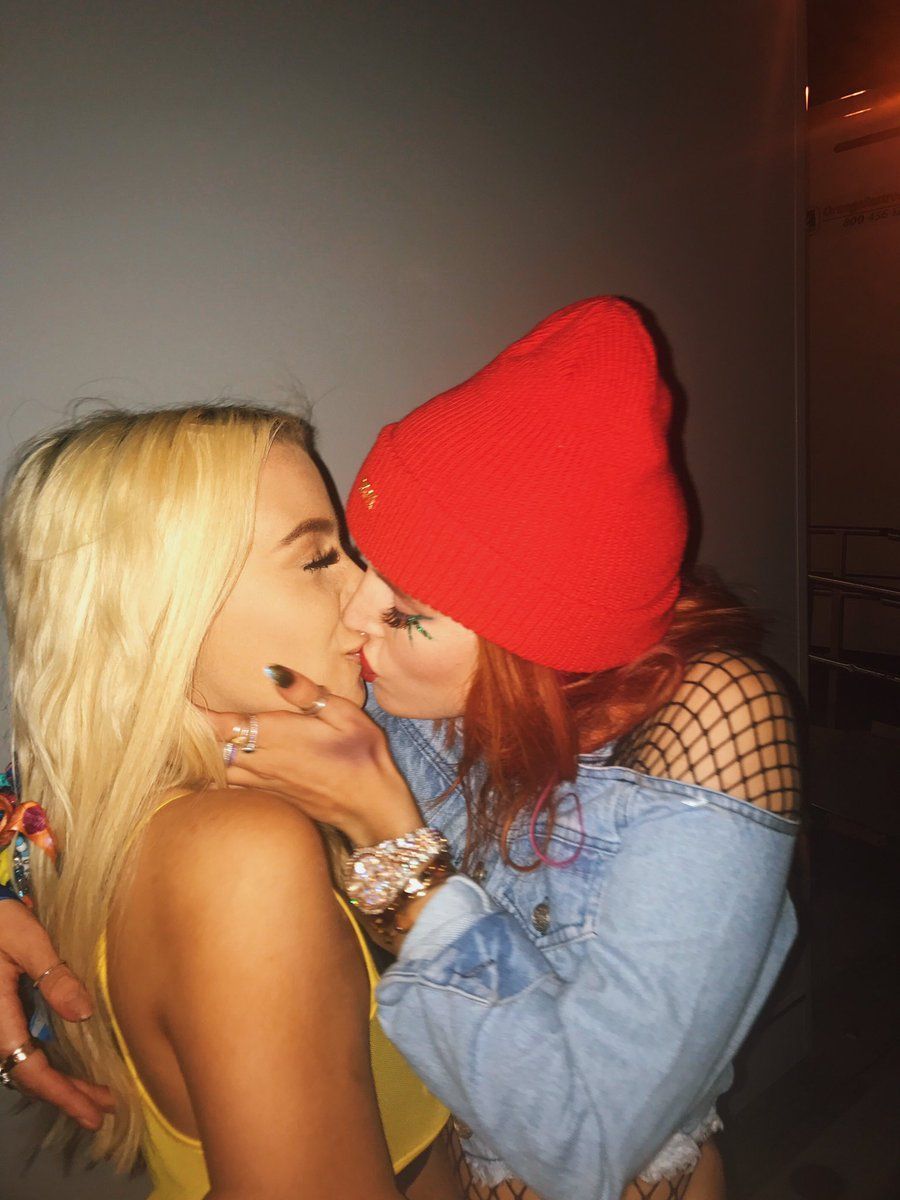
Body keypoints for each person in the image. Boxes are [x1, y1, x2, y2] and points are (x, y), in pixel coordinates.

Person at [0, 298, 800, 1200]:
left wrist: (393, 842)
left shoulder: (351, 731)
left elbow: (588, 1142)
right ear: (159, 614)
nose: (355, 607)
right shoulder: (267, 808)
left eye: (401, 602)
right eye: (332, 557)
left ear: (523, 642)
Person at [0, 405, 457, 1200]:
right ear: (157, 617)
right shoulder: (238, 854)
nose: (368, 593)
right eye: (318, 558)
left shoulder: (78, 816)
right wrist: (393, 831)